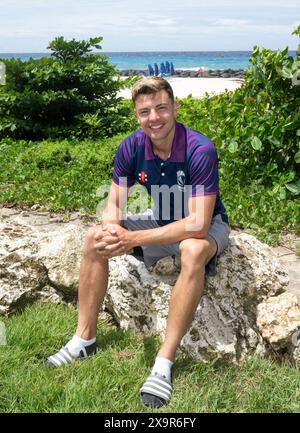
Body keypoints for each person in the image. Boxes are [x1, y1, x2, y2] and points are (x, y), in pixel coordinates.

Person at [45, 77, 230, 408]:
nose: (154, 118)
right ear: (136, 115)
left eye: (161, 108)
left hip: (206, 226)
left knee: (192, 249)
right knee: (94, 238)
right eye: (145, 112)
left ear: (174, 108)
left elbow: (198, 224)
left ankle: (163, 362)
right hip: (159, 220)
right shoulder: (132, 146)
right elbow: (114, 205)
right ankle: (83, 339)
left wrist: (135, 238)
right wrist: (114, 231)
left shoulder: (199, 148)